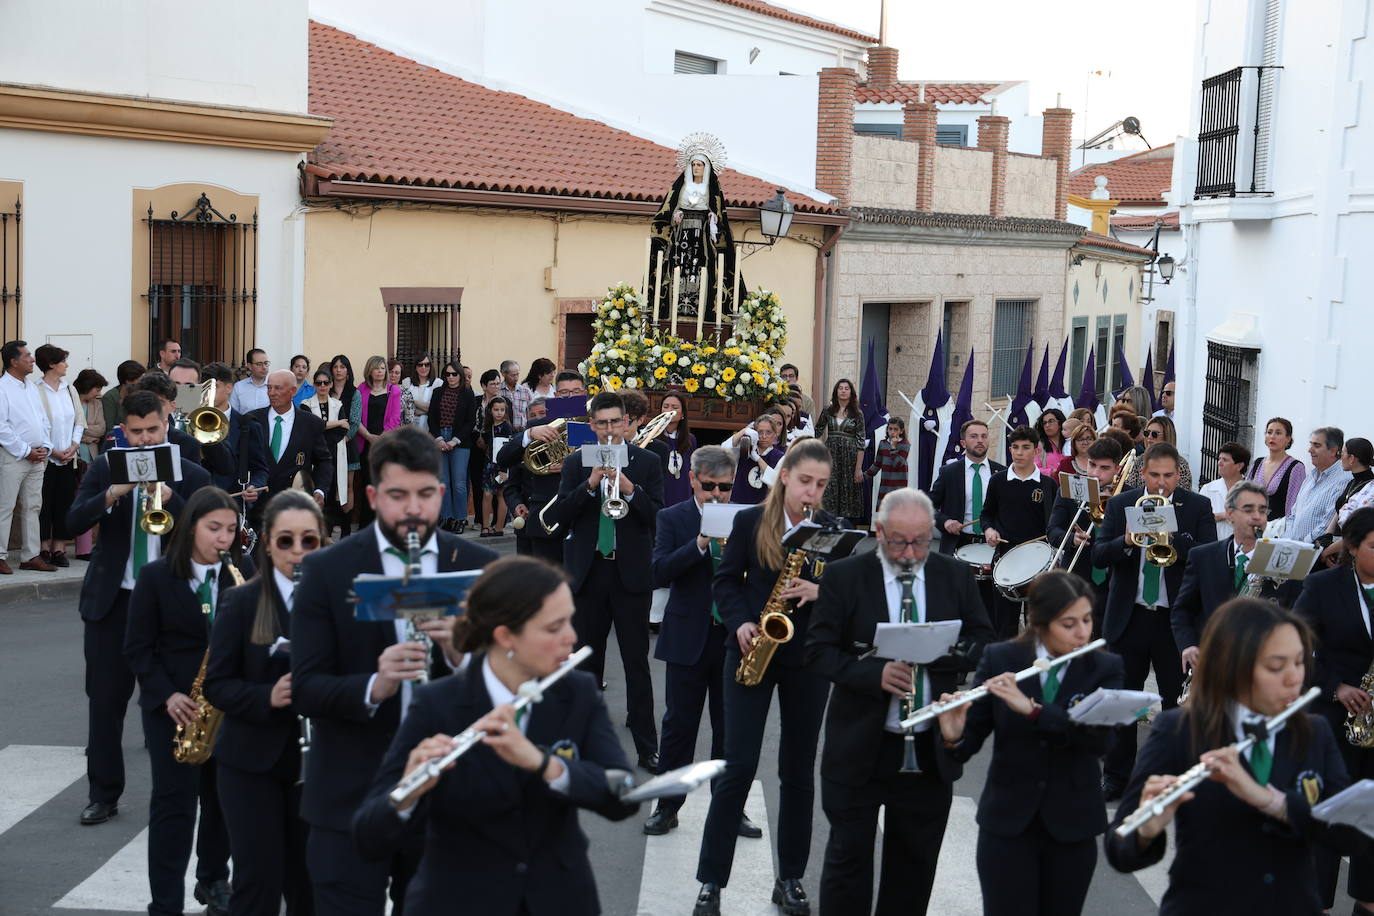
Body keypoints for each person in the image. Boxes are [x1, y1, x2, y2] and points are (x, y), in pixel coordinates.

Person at [353, 556, 640, 915]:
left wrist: (544, 765)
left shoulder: (577, 693)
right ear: (506, 636)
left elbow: (624, 797)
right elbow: (368, 836)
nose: (572, 636)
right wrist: (408, 792)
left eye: (569, 619)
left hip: (558, 899)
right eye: (554, 627)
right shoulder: (437, 704)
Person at [291, 425, 498, 913]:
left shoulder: (481, 568)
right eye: (397, 495)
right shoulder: (327, 571)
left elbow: (518, 689)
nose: (413, 509)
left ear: (442, 492)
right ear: (372, 494)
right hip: (350, 796)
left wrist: (462, 657)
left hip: (450, 800)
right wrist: (374, 685)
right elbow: (306, 689)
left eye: (426, 494)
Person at [1104, 599, 1361, 914]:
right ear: (1231, 666)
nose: (1295, 677)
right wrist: (1147, 828)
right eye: (1276, 666)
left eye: (1299, 661)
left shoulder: (1314, 731)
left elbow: (1350, 837)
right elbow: (1120, 850)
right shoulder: (1180, 729)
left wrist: (1273, 802)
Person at [806, 488, 993, 916]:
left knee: (913, 871)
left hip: (928, 752)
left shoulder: (954, 575)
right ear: (878, 531)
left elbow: (983, 640)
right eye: (898, 542)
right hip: (859, 750)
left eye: (921, 542)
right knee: (847, 865)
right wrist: (874, 673)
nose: (910, 553)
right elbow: (818, 651)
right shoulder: (844, 577)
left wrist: (935, 651)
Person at [693, 439, 841, 916]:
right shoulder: (750, 521)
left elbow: (850, 593)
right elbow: (725, 581)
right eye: (805, 482)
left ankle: (790, 878)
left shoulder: (834, 530)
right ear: (784, 476)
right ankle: (711, 883)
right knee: (737, 768)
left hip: (808, 661)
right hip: (752, 650)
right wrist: (738, 621)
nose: (812, 493)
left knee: (798, 773)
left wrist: (822, 590)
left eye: (820, 484)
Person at [935, 572, 1123, 916]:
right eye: (1069, 624)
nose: (1083, 632)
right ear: (1039, 623)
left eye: (1086, 619)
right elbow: (967, 746)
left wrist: (1036, 711)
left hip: (1073, 825)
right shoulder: (1001, 659)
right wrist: (953, 734)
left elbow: (1099, 741)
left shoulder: (1104, 666)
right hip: (1008, 824)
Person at [66, 390, 211, 826]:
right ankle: (103, 794)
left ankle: (185, 791)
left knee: (179, 703)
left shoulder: (190, 473)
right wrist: (111, 493)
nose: (145, 440)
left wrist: (171, 498)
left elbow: (209, 537)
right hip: (114, 604)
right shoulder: (104, 467)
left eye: (153, 430)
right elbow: (73, 523)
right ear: (122, 432)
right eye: (136, 432)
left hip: (171, 608)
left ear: (167, 424)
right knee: (105, 703)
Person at [204, 489, 322, 916]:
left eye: (308, 540)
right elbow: (216, 685)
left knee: (309, 884)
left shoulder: (335, 603)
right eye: (285, 541)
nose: (297, 552)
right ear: (268, 543)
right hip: (250, 763)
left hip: (316, 768)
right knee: (258, 883)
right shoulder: (241, 602)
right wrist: (266, 696)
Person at [123, 487, 240, 916]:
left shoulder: (234, 577)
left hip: (222, 708)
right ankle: (165, 903)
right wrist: (167, 695)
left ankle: (212, 879)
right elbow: (137, 647)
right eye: (214, 529)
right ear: (191, 527)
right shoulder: (155, 577)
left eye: (230, 530)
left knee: (222, 801)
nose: (223, 539)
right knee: (174, 808)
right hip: (172, 708)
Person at [645, 446, 761, 838]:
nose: (716, 494)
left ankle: (731, 806)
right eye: (708, 485)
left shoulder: (748, 518)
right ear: (692, 479)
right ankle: (667, 805)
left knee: (731, 729)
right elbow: (658, 572)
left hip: (733, 639)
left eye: (724, 487)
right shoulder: (671, 517)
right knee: (679, 726)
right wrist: (699, 543)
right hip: (687, 635)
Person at [545, 391, 663, 769]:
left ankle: (647, 747)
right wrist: (590, 484)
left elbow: (658, 518)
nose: (610, 429)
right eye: (603, 423)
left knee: (636, 664)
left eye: (616, 422)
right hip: (589, 573)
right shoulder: (577, 461)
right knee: (586, 664)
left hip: (630, 575)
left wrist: (630, 488)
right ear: (592, 425)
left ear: (627, 422)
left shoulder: (647, 461)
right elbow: (560, 516)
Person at [1094, 442, 1217, 799]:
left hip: (1173, 621)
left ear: (1178, 475)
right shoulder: (1120, 504)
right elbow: (1099, 556)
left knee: (1174, 702)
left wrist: (1174, 537)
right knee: (1123, 702)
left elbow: (1208, 555)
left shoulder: (1197, 506)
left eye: (1169, 476)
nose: (1162, 484)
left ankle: (1171, 777)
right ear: (1143, 474)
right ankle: (1116, 775)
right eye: (1155, 476)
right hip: (1128, 617)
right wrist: (1128, 542)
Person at [1294, 506, 1374, 913]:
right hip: (1333, 716)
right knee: (1329, 812)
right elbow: (1296, 649)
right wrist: (1335, 687)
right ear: (1354, 547)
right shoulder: (1323, 585)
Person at [1172, 480, 1299, 670]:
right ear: (1230, 514)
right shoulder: (1202, 557)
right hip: (1211, 663)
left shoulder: (1284, 559)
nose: (1257, 517)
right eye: (1248, 510)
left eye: (1263, 511)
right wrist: (1188, 645)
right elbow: (1182, 610)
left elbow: (1297, 616)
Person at [496, 372, 588, 564]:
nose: (569, 397)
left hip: (583, 520)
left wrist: (570, 466)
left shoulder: (594, 427)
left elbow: (606, 467)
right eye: (564, 392)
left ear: (584, 394)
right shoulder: (537, 425)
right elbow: (503, 459)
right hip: (545, 523)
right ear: (556, 396)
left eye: (575, 392)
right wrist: (528, 434)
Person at [979, 425, 1058, 638]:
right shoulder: (998, 481)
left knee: (1038, 625)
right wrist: (988, 530)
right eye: (1015, 447)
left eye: (1025, 447)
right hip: (1005, 558)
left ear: (1036, 451)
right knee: (1004, 624)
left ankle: (1034, 668)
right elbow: (986, 514)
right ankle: (1006, 667)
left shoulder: (1048, 485)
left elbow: (1055, 522)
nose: (1019, 452)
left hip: (1039, 562)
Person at [1048, 437, 1124, 617]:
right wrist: (1072, 539)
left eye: (1104, 468)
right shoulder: (1070, 487)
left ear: (1117, 469)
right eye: (1092, 465)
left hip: (1114, 580)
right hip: (1077, 577)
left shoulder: (1128, 495)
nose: (1096, 473)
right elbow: (1052, 530)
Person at [0, 339, 53, 574]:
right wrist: (25, 450)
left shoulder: (31, 387)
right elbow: (1, 427)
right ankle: (0, 555)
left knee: (33, 506)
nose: (32, 359)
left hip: (37, 456)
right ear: (13, 361)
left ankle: (30, 555)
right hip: (13, 456)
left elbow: (43, 420)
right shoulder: (2, 388)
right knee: (5, 506)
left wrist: (45, 446)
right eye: (27, 356)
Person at [246, 370, 331, 511]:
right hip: (257, 507)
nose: (271, 393)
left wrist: (320, 490)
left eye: (278, 388)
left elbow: (324, 461)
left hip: (294, 506)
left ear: (293, 391)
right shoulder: (252, 420)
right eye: (269, 387)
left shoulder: (311, 423)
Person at [34, 343, 82, 568]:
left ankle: (60, 548)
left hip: (68, 457)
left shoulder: (70, 390)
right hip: (46, 458)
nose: (67, 365)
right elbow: (38, 426)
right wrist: (53, 450)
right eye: (63, 361)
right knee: (44, 504)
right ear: (51, 364)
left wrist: (73, 446)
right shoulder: (35, 390)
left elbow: (79, 421)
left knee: (65, 503)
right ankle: (43, 547)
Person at [199, 361, 269, 515]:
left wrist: (254, 487)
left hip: (232, 507)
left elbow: (260, 469)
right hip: (198, 504)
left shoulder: (248, 425)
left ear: (229, 388)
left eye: (214, 387)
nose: (208, 393)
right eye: (204, 388)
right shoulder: (190, 423)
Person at [930, 419, 1004, 555]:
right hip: (957, 544)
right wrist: (945, 521)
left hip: (994, 545)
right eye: (974, 436)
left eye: (984, 436)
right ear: (963, 443)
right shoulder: (948, 472)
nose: (980, 440)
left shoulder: (1002, 473)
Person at [428, 360, 476, 533]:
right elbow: (431, 418)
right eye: (447, 374)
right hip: (440, 438)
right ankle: (446, 517)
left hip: (460, 442)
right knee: (443, 482)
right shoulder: (438, 392)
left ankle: (460, 519)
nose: (450, 377)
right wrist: (439, 439)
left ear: (460, 375)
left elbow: (471, 421)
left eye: (454, 374)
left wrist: (454, 440)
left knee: (459, 483)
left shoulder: (468, 394)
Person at [356, 356, 405, 526]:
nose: (380, 371)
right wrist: (369, 436)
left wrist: (381, 439)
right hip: (365, 442)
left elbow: (395, 419)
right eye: (376, 368)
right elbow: (355, 418)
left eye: (383, 368)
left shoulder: (394, 391)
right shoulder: (361, 389)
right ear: (370, 370)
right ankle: (367, 525)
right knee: (368, 484)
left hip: (386, 445)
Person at [305, 365, 351, 532]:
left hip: (334, 453)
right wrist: (336, 423)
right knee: (314, 491)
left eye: (326, 383)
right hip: (312, 456)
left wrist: (325, 432)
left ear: (331, 384)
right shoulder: (306, 404)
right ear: (314, 385)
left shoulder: (337, 405)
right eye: (319, 383)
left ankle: (329, 532)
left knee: (331, 493)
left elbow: (343, 429)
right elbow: (311, 427)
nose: (323, 386)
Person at [1286, 426, 1351, 544]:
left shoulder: (1343, 480)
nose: (1309, 450)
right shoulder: (1311, 476)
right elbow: (1293, 514)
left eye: (1316, 445)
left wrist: (1302, 545)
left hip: (1316, 552)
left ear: (1333, 450)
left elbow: (1327, 523)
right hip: (1295, 549)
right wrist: (1288, 541)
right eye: (1311, 444)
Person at [818, 379, 865, 523]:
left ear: (851, 393)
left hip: (849, 458)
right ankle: (828, 523)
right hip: (830, 455)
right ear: (836, 391)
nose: (843, 390)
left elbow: (861, 441)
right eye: (840, 388)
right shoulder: (827, 410)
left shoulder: (857, 414)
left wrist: (858, 468)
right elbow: (817, 430)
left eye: (846, 388)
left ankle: (845, 525)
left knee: (847, 489)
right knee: (829, 487)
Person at [1248, 417, 1306, 522]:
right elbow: (1245, 495)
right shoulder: (1257, 463)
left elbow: (1294, 504)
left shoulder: (1296, 467)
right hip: (1252, 524)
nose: (1272, 436)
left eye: (1278, 433)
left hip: (1277, 530)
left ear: (1288, 438)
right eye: (1269, 432)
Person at [328, 355, 362, 529]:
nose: (339, 370)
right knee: (332, 485)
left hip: (348, 446)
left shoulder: (355, 393)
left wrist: (344, 439)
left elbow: (355, 421)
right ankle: (332, 525)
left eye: (342, 367)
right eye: (336, 367)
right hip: (328, 446)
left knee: (348, 486)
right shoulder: (325, 390)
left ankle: (347, 528)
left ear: (348, 370)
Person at [728, 413, 785, 505]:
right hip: (736, 502)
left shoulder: (779, 457)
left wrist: (758, 458)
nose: (764, 436)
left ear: (775, 434)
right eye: (760, 432)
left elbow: (775, 482)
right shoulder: (744, 449)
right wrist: (744, 430)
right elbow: (725, 448)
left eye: (768, 432)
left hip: (761, 506)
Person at [477, 395, 513, 537]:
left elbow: (507, 450)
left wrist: (504, 470)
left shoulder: (506, 427)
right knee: (487, 494)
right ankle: (485, 526)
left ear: (506, 411)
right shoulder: (487, 427)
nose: (499, 413)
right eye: (496, 409)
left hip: (501, 466)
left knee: (501, 495)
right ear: (490, 411)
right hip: (489, 465)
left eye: (502, 410)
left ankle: (499, 527)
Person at [1126, 415, 1193, 490]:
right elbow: (1130, 490)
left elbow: (1181, 494)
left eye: (1155, 434)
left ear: (1167, 436)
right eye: (1147, 433)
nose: (1149, 437)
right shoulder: (1139, 460)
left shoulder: (1180, 464)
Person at [1199, 441, 1250, 540]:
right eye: (1219, 459)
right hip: (1212, 547)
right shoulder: (1208, 489)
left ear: (1239, 466)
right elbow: (1198, 519)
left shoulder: (1252, 491)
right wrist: (1224, 515)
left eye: (1225, 460)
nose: (1219, 463)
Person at [657, 392, 698, 507]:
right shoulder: (652, 438)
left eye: (675, 407)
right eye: (666, 406)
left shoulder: (690, 439)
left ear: (682, 414)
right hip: (661, 496)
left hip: (682, 496)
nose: (669, 410)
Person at [865, 418, 910, 512]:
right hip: (885, 486)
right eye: (890, 428)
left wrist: (893, 447)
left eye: (896, 429)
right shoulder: (883, 444)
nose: (892, 432)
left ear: (901, 431)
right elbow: (877, 464)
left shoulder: (905, 444)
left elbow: (898, 464)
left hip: (898, 487)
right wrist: (864, 476)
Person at [102, 359, 146, 438]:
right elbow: (109, 429)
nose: (143, 383)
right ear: (128, 381)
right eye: (140, 380)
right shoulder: (110, 397)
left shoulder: (141, 395)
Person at [402, 353, 441, 433]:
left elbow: (436, 408)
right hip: (408, 428)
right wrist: (427, 409)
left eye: (427, 365)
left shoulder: (438, 383)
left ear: (430, 366)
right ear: (415, 367)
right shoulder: (407, 382)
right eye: (420, 365)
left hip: (430, 429)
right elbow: (404, 407)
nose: (423, 368)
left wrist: (411, 401)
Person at [230, 348, 271, 415]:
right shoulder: (239, 387)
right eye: (259, 364)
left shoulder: (274, 385)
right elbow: (234, 413)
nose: (264, 367)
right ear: (250, 366)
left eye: (266, 363)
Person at [497, 359, 533, 429]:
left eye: (517, 374)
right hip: (503, 431)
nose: (516, 378)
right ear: (503, 374)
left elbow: (531, 414)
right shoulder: (498, 391)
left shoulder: (525, 391)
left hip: (522, 431)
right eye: (513, 375)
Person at [1033, 408, 1067, 476]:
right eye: (1044, 423)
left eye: (1051, 421)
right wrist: (1051, 472)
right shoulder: (1039, 445)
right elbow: (1033, 469)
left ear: (1060, 424)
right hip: (1048, 483)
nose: (1047, 425)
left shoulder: (1069, 442)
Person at [387, 359, 416, 426]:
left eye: (397, 373)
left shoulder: (406, 393)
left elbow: (409, 419)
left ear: (401, 375)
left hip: (398, 432)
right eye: (390, 372)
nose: (393, 375)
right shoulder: (379, 390)